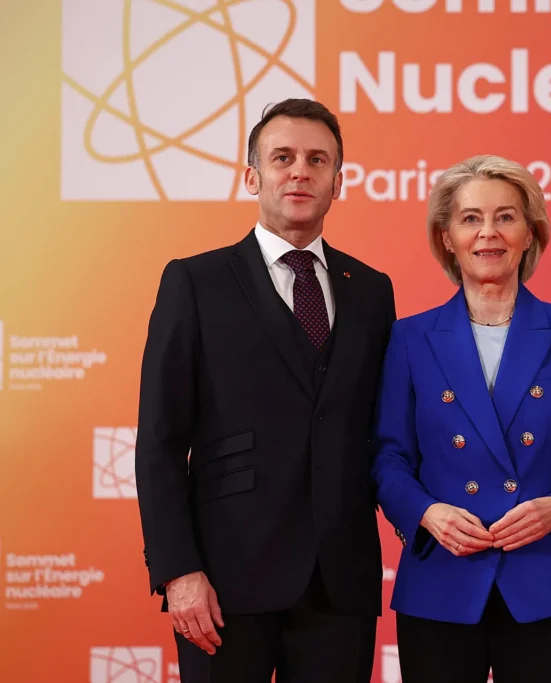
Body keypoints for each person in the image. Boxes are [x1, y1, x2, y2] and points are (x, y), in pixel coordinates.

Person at [135, 98, 395, 682]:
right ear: (252, 177)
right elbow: (159, 441)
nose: (300, 171)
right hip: (223, 584)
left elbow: (381, 431)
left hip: (340, 584)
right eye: (282, 158)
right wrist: (178, 570)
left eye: (317, 160)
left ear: (338, 182)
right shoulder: (195, 281)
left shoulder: (372, 290)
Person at [371, 154, 551, 683]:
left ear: (530, 234)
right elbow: (389, 457)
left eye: (506, 217)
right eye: (471, 219)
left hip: (545, 578)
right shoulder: (410, 337)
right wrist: (427, 513)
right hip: (442, 576)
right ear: (447, 238)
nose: (489, 233)